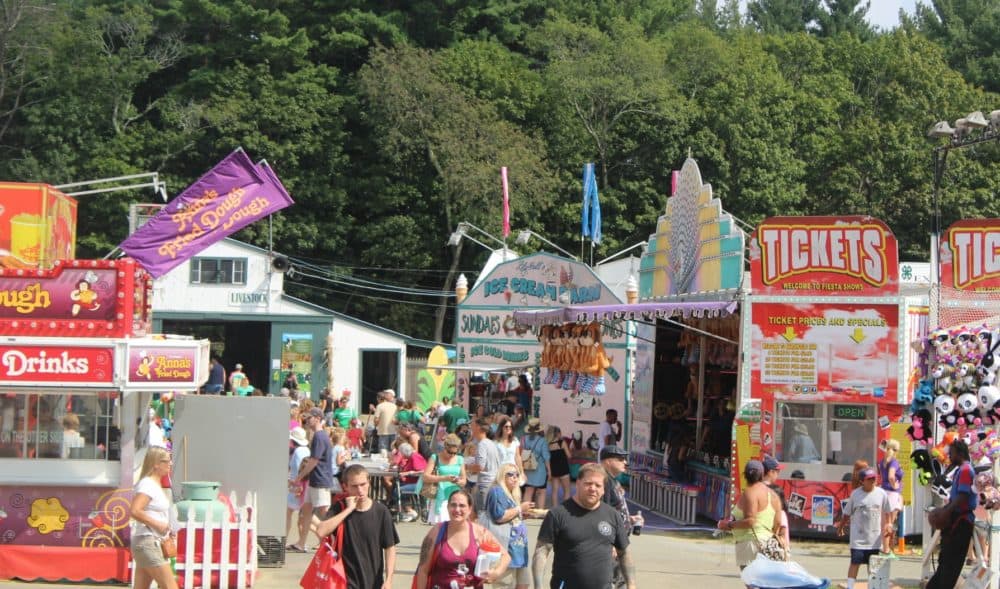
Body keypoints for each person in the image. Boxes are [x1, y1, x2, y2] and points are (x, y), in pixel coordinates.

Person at [533, 463, 633, 589]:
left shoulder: (612, 515)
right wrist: (538, 586)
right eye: (588, 483)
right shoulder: (557, 514)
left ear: (603, 490)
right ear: (578, 483)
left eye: (598, 485)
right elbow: (541, 552)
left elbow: (624, 552)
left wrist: (631, 584)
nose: (593, 488)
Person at [316, 464, 400, 589]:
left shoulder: (381, 511)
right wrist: (349, 510)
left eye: (363, 484)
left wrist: (388, 580)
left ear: (369, 483)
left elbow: (390, 548)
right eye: (354, 486)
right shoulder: (340, 508)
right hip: (344, 582)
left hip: (373, 583)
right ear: (345, 487)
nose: (360, 490)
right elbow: (320, 531)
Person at [414, 488, 510, 589]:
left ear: (469, 509)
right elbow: (423, 570)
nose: (457, 509)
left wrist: (496, 572)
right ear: (447, 507)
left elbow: (506, 556)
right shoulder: (437, 531)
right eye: (453, 505)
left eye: (462, 506)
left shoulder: (480, 532)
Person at [926, 440, 977, 589]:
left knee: (950, 567)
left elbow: (962, 497)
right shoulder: (961, 469)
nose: (949, 456)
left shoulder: (966, 470)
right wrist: (944, 511)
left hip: (961, 522)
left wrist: (944, 513)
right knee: (945, 564)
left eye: (952, 453)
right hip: (955, 520)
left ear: (960, 453)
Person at [717, 460, 783, 570]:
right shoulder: (774, 495)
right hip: (768, 545)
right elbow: (778, 523)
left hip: (749, 545)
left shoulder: (750, 492)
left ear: (745, 475)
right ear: (762, 475)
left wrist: (728, 525)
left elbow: (750, 521)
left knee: (752, 583)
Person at [129, 447, 178, 589]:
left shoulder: (155, 485)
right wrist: (158, 525)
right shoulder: (148, 484)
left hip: (147, 542)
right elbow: (135, 510)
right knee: (170, 586)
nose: (170, 464)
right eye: (167, 461)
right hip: (149, 542)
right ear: (156, 463)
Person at [837, 468, 892, 589]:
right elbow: (847, 513)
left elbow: (888, 511)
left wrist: (889, 524)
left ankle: (873, 586)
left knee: (873, 566)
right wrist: (841, 527)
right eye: (869, 479)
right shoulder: (855, 494)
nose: (873, 480)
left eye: (874, 478)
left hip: (874, 541)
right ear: (862, 481)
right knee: (855, 563)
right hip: (858, 540)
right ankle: (850, 586)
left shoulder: (881, 494)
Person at [483, 463, 534, 589]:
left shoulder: (511, 493)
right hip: (506, 548)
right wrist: (519, 509)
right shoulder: (497, 490)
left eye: (517, 474)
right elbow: (499, 516)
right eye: (510, 474)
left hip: (519, 550)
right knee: (504, 584)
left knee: (523, 584)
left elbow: (511, 514)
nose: (514, 477)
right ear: (502, 475)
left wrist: (521, 514)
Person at [296, 408, 335, 538]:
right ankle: (301, 543)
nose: (307, 421)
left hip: (320, 479)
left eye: (309, 418)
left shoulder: (319, 436)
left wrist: (299, 477)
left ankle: (334, 539)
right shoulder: (319, 435)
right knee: (306, 510)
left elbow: (314, 460)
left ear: (317, 418)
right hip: (316, 479)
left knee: (324, 512)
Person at [420, 433, 468, 524]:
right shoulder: (435, 457)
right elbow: (425, 477)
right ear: (445, 447)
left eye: (455, 453)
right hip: (440, 498)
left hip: (455, 497)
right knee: (440, 530)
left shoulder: (460, 459)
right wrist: (444, 478)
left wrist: (458, 481)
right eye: (450, 452)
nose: (452, 455)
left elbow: (464, 481)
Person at [469, 416, 503, 513]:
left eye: (472, 425)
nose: (471, 428)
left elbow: (480, 466)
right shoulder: (491, 443)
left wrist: (466, 467)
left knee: (482, 516)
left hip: (485, 485)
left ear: (478, 427)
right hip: (494, 483)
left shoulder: (482, 444)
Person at [286, 426, 311, 553]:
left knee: (289, 513)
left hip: (297, 485)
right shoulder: (306, 450)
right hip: (304, 484)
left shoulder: (297, 452)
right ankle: (302, 541)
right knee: (303, 515)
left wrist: (295, 483)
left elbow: (297, 468)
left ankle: (285, 539)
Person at [879, 439, 903, 556]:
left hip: (883, 491)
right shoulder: (894, 462)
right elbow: (891, 476)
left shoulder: (882, 461)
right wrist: (895, 484)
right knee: (889, 523)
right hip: (892, 493)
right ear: (896, 450)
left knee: (884, 522)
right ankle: (887, 549)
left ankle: (884, 547)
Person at [762, 455, 790, 553]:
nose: (778, 474)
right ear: (770, 472)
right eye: (777, 472)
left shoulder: (754, 489)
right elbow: (781, 519)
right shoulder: (776, 491)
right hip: (774, 541)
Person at [521, 418, 551, 509]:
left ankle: (526, 512)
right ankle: (539, 513)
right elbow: (546, 457)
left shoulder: (524, 439)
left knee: (528, 491)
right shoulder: (542, 441)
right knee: (542, 492)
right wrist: (549, 471)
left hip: (528, 468)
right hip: (540, 470)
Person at [394, 442, 427, 522]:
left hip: (419, 484)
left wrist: (408, 473)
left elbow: (422, 471)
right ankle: (404, 510)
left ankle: (410, 511)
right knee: (395, 486)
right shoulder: (411, 457)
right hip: (412, 482)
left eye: (401, 453)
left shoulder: (415, 457)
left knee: (397, 490)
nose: (401, 455)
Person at [546, 426, 572, 505]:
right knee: (567, 491)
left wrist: (549, 471)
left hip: (554, 470)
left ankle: (554, 509)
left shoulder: (548, 445)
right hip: (563, 469)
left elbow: (547, 459)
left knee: (554, 492)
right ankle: (565, 509)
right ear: (557, 434)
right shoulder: (562, 443)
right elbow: (569, 456)